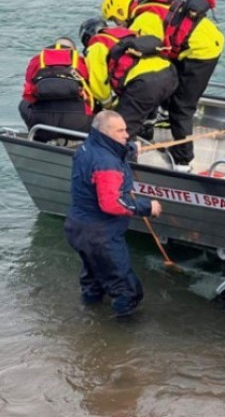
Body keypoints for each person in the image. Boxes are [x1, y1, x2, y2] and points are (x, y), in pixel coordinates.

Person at [100, 0, 225, 171]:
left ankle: (183, 161)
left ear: (120, 12)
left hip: (201, 52)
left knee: (181, 107)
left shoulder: (143, 20)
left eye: (114, 19)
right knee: (165, 83)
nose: (116, 24)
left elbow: (153, 57)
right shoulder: (147, 8)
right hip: (199, 42)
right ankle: (156, 121)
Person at [63, 110, 162, 318]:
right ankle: (122, 341)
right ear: (106, 133)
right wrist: (147, 207)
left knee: (93, 282)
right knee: (128, 291)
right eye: (121, 131)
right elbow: (111, 204)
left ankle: (90, 323)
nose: (127, 134)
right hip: (100, 235)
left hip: (78, 228)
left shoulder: (87, 147)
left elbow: (110, 151)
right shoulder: (107, 164)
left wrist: (131, 149)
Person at [80, 18, 178, 140]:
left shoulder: (96, 45)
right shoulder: (126, 33)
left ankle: (128, 156)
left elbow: (99, 82)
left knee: (121, 127)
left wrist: (108, 105)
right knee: (149, 105)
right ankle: (146, 133)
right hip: (169, 74)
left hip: (144, 84)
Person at [19, 37, 94, 143]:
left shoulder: (37, 61)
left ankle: (37, 139)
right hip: (76, 125)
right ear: (73, 50)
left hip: (42, 123)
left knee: (23, 104)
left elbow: (28, 93)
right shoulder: (81, 62)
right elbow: (93, 93)